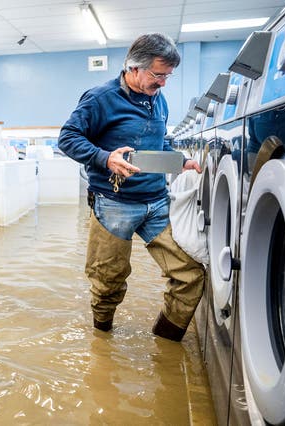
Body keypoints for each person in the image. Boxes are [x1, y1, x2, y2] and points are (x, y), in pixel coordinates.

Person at [58, 33, 204, 342]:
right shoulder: (101, 98)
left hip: (156, 203)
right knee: (108, 282)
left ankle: (165, 345)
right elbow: (67, 137)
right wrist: (104, 158)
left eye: (167, 76)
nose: (163, 82)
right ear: (133, 68)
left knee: (190, 276)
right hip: (113, 202)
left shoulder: (157, 99)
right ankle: (102, 343)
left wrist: (180, 161)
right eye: (158, 74)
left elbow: (156, 140)